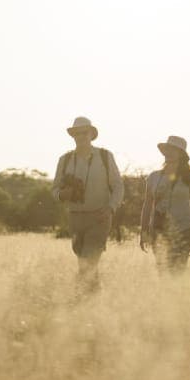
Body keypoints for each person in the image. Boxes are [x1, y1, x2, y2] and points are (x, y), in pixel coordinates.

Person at [52, 116, 124, 291]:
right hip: (75, 218)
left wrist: (110, 208)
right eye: (77, 133)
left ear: (92, 134)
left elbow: (118, 186)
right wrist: (63, 194)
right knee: (83, 260)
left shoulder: (105, 157)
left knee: (88, 261)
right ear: (73, 136)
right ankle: (94, 299)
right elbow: (54, 190)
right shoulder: (65, 160)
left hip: (99, 216)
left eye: (84, 132)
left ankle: (80, 298)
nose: (81, 136)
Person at [140, 135, 190, 272]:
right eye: (167, 149)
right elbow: (147, 206)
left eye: (174, 150)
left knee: (178, 271)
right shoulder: (154, 177)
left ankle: (178, 293)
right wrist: (143, 231)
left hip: (184, 229)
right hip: (159, 230)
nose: (169, 153)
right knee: (162, 270)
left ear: (181, 155)